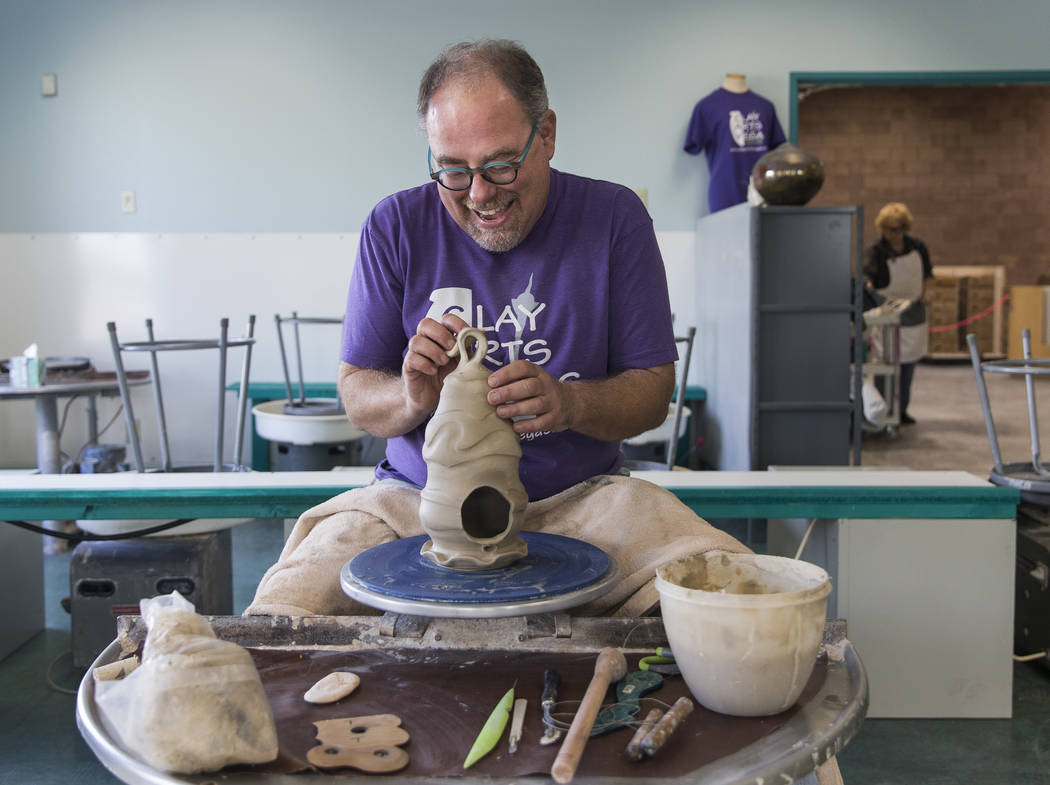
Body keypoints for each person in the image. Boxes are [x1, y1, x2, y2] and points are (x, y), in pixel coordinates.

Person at [245, 40, 747, 618]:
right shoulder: (395, 225)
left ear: (548, 134)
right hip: (413, 502)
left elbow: (653, 393)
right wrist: (411, 396)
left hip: (583, 501)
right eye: (453, 171)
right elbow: (359, 395)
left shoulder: (614, 218)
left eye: (501, 164)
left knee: (724, 600)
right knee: (284, 615)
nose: (480, 194)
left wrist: (570, 403)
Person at [863, 202, 933, 425]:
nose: (895, 234)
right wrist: (878, 299)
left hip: (913, 311)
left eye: (899, 228)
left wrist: (927, 293)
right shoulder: (875, 251)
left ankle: (901, 410)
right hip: (887, 312)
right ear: (882, 228)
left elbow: (928, 274)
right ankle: (883, 410)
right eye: (890, 229)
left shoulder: (917, 247)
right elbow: (868, 281)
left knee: (908, 365)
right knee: (885, 365)